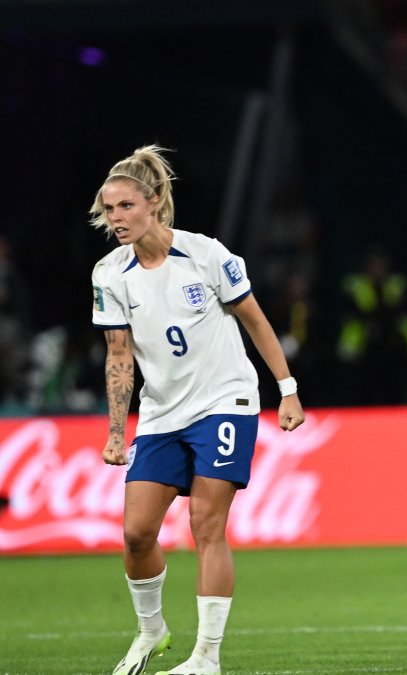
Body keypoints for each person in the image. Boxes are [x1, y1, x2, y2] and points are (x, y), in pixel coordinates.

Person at [90, 146, 305, 675]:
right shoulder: (110, 273)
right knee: (137, 533)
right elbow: (119, 356)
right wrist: (117, 431)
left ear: (154, 202)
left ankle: (207, 656)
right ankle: (151, 631)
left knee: (206, 524)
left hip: (224, 401)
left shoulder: (205, 254)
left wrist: (287, 388)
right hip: (162, 413)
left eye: (125, 206)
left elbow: (255, 320)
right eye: (109, 209)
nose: (116, 218)